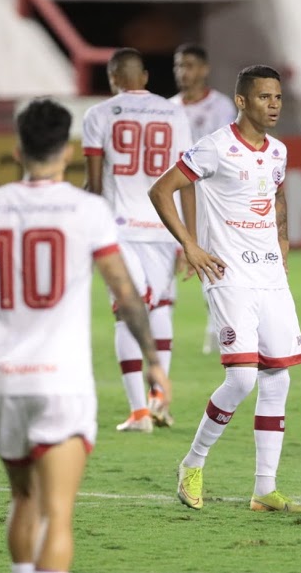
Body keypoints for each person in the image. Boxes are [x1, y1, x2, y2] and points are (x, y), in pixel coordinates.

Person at [0, 98, 169, 573]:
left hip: (1, 379)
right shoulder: (87, 211)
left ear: (18, 150)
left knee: (23, 498)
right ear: (67, 151)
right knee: (57, 514)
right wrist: (153, 358)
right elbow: (125, 292)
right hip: (61, 380)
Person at [149, 64, 301, 513]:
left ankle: (264, 489)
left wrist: (283, 241)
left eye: (277, 97)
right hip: (229, 276)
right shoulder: (215, 147)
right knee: (241, 378)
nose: (273, 105)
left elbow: (277, 195)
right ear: (241, 101)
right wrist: (190, 246)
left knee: (278, 376)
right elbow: (162, 190)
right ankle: (192, 463)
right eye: (264, 97)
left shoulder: (278, 151)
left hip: (270, 277)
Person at [82, 48, 194, 432]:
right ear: (144, 77)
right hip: (164, 227)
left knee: (126, 311)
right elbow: (187, 179)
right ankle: (158, 397)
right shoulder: (175, 112)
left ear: (113, 79)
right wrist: (188, 240)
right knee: (159, 308)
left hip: (120, 229)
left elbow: (95, 184)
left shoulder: (98, 115)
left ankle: (139, 412)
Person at [169, 42, 239, 355]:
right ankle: (161, 327)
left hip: (210, 197)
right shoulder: (167, 108)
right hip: (174, 194)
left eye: (190, 66)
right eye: (179, 66)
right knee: (168, 260)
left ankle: (218, 327)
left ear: (204, 69)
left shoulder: (222, 107)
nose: (184, 73)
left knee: (213, 262)